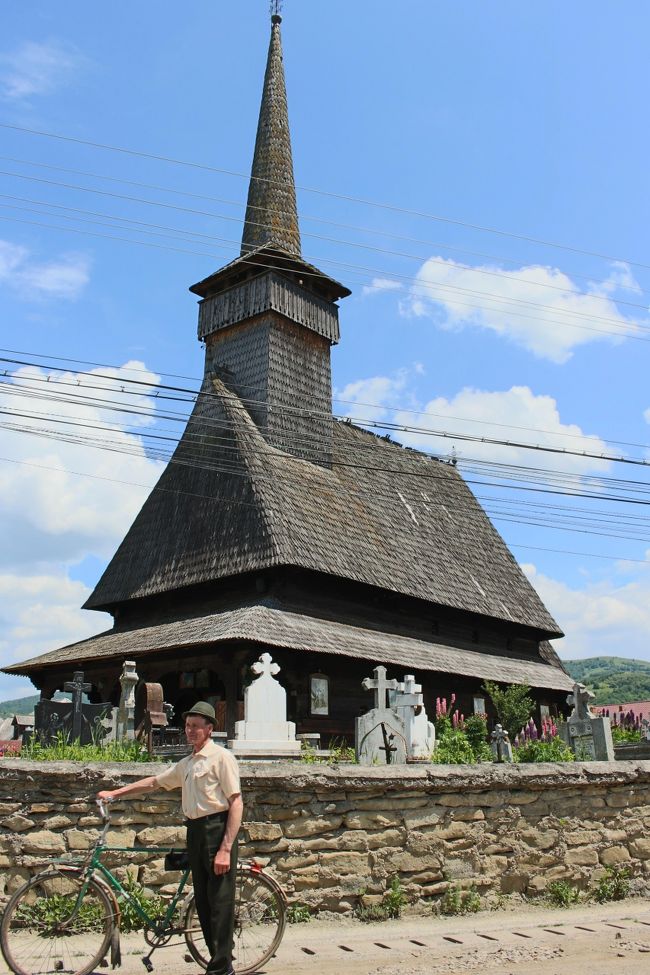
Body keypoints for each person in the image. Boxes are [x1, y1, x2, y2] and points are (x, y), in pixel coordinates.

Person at [97, 701, 242, 975]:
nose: (190, 731)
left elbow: (236, 803)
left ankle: (221, 969)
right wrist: (115, 794)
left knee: (220, 903)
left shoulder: (222, 758)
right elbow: (154, 782)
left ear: (209, 729)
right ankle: (220, 961)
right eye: (188, 726)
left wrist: (225, 848)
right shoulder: (186, 764)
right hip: (195, 831)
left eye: (196, 726)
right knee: (203, 902)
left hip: (217, 829)